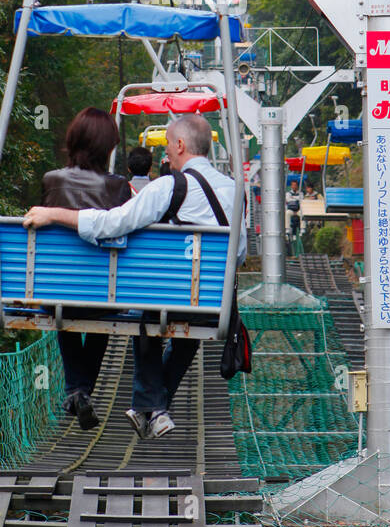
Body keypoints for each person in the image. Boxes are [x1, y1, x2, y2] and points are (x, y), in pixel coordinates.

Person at [24, 113, 246, 441]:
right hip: (214, 302)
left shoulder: (170, 186)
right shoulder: (236, 191)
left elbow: (113, 224)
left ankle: (147, 405)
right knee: (187, 322)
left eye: (169, 145)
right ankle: (153, 409)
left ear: (181, 145)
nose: (165, 153)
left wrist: (54, 214)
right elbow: (238, 252)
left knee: (147, 313)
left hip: (167, 300)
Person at [38, 107, 132, 432]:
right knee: (99, 319)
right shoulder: (118, 186)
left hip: (54, 291)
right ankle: (80, 391)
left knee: (62, 311)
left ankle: (75, 391)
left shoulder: (51, 180)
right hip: (102, 295)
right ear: (107, 148)